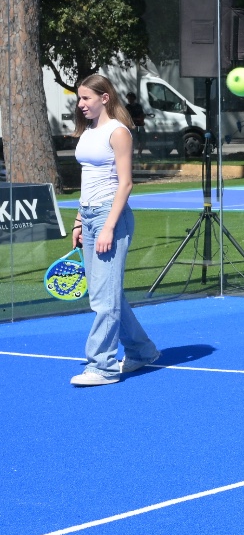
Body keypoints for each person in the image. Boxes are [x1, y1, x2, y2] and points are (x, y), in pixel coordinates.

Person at [68, 75, 161, 386]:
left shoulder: (119, 132)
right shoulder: (88, 132)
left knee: (103, 300)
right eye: (79, 99)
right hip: (91, 216)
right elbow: (88, 178)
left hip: (112, 216)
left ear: (104, 98)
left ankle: (102, 367)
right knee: (105, 294)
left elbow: (126, 184)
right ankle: (142, 350)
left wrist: (108, 227)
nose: (80, 105)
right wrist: (80, 220)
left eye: (86, 99)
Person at [123, 91, 147, 156]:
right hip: (132, 126)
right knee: (132, 140)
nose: (129, 100)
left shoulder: (138, 106)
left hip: (140, 125)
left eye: (131, 98)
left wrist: (142, 118)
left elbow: (141, 114)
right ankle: (131, 153)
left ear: (134, 98)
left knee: (142, 140)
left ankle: (139, 153)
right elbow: (128, 117)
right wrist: (136, 119)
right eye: (128, 98)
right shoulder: (127, 107)